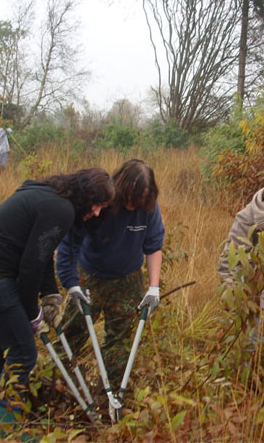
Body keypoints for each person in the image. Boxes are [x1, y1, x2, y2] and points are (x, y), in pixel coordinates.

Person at [0, 168, 115, 435]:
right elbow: (31, 266)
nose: (97, 212)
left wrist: (50, 295)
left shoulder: (52, 195)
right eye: (96, 205)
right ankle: (8, 429)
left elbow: (39, 255)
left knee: (4, 348)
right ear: (85, 195)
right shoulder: (61, 210)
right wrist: (33, 314)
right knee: (24, 352)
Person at [56, 159, 165, 389]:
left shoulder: (149, 208)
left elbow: (153, 246)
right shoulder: (101, 203)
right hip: (91, 277)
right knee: (73, 331)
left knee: (120, 337)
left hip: (128, 279)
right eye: (132, 198)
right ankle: (58, 384)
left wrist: (153, 287)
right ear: (122, 188)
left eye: (142, 198)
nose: (135, 205)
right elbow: (70, 244)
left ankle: (111, 390)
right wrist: (72, 283)